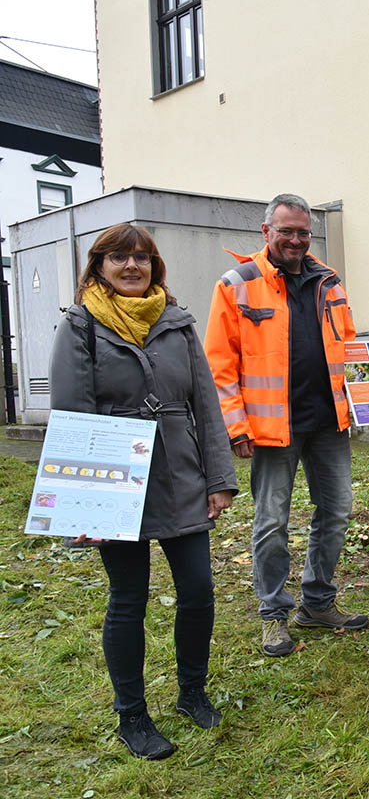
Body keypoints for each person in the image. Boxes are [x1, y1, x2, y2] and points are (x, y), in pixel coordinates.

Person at [50, 223, 238, 760]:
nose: (132, 266)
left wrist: (220, 480)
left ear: (155, 266)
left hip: (181, 474)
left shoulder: (177, 324)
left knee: (199, 591)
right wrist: (80, 502)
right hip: (115, 479)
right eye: (119, 258)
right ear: (99, 265)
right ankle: (132, 714)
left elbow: (206, 405)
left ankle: (191, 692)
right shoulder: (81, 326)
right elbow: (72, 413)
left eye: (143, 258)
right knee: (128, 600)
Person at [205, 193, 367, 658]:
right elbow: (220, 364)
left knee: (336, 512)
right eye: (286, 231)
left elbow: (350, 347)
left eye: (302, 232)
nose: (295, 240)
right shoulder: (237, 284)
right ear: (266, 232)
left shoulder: (328, 282)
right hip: (272, 428)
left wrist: (368, 399)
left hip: (328, 423)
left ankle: (317, 602)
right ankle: (274, 613)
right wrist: (236, 426)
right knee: (272, 521)